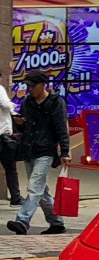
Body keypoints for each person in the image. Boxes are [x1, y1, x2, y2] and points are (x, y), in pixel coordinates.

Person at [6, 72, 71, 235]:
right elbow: (25, 126)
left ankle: (22, 220)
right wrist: (19, 124)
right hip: (29, 149)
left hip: (46, 151)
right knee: (41, 188)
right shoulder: (28, 102)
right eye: (27, 86)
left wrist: (64, 151)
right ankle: (56, 221)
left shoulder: (56, 102)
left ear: (43, 85)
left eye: (32, 86)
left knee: (34, 187)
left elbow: (61, 128)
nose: (29, 89)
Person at [0, 82, 22, 205]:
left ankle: (16, 197)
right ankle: (16, 198)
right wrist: (13, 106)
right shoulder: (0, 89)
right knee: (10, 168)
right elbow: (6, 105)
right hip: (3, 136)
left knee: (10, 168)